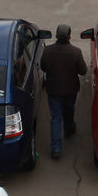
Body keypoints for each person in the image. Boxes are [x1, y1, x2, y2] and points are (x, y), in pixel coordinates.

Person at [39, 24, 87, 160]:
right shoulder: (75, 52)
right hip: (70, 90)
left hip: (53, 90)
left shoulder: (47, 51)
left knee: (55, 118)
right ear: (70, 36)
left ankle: (56, 149)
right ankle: (69, 129)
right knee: (69, 110)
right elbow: (83, 71)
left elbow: (43, 67)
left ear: (56, 36)